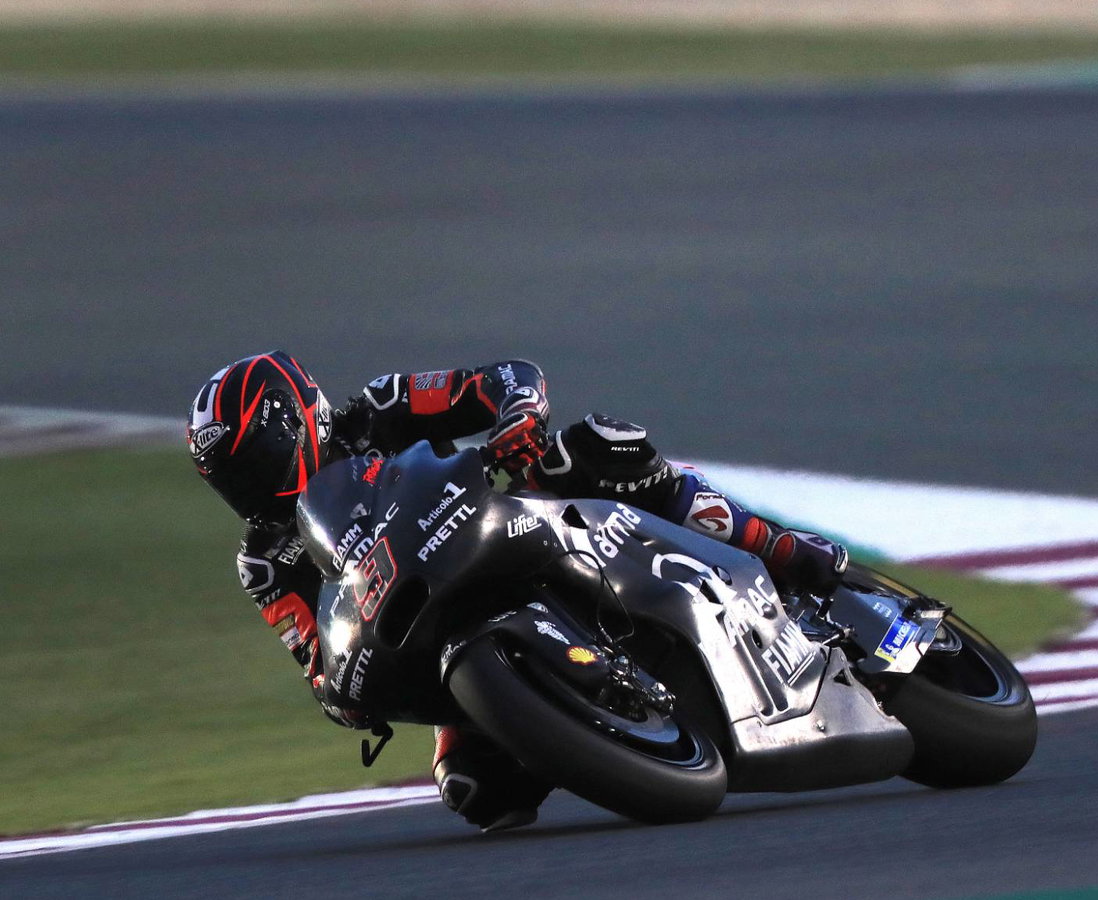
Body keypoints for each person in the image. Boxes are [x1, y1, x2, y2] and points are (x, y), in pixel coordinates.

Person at [187, 351, 848, 831]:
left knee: (590, 449)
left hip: (507, 527)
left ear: (293, 421)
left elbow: (502, 378)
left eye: (252, 463)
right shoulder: (264, 564)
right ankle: (596, 730)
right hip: (431, 630)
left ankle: (780, 546)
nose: (248, 489)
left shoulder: (381, 408)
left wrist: (516, 414)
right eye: (230, 481)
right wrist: (339, 692)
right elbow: (311, 652)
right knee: (476, 791)